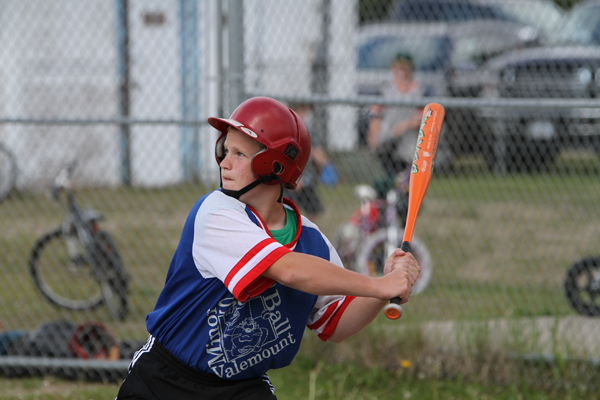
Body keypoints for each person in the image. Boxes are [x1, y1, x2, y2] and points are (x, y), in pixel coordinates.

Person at [116, 96, 420, 400]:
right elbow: (287, 269)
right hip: (167, 378)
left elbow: (337, 323)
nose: (224, 162)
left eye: (238, 154)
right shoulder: (217, 212)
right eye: (225, 150)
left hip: (241, 387)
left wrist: (384, 291)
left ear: (274, 165)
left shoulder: (313, 243)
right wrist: (377, 285)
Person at [367, 53, 426, 198]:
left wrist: (405, 125)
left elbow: (423, 117)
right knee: (388, 178)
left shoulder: (419, 91)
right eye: (398, 67)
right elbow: (376, 116)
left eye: (405, 68)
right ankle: (386, 209)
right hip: (388, 139)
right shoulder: (386, 90)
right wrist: (373, 136)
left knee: (405, 182)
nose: (402, 71)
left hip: (409, 142)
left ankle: (402, 210)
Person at [284, 102, 338, 223]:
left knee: (314, 210)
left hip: (306, 179)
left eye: (306, 112)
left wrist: (327, 164)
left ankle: (305, 231)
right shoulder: (289, 131)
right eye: (302, 111)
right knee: (287, 209)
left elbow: (315, 150)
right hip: (291, 179)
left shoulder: (306, 129)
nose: (305, 115)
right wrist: (293, 176)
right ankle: (291, 231)